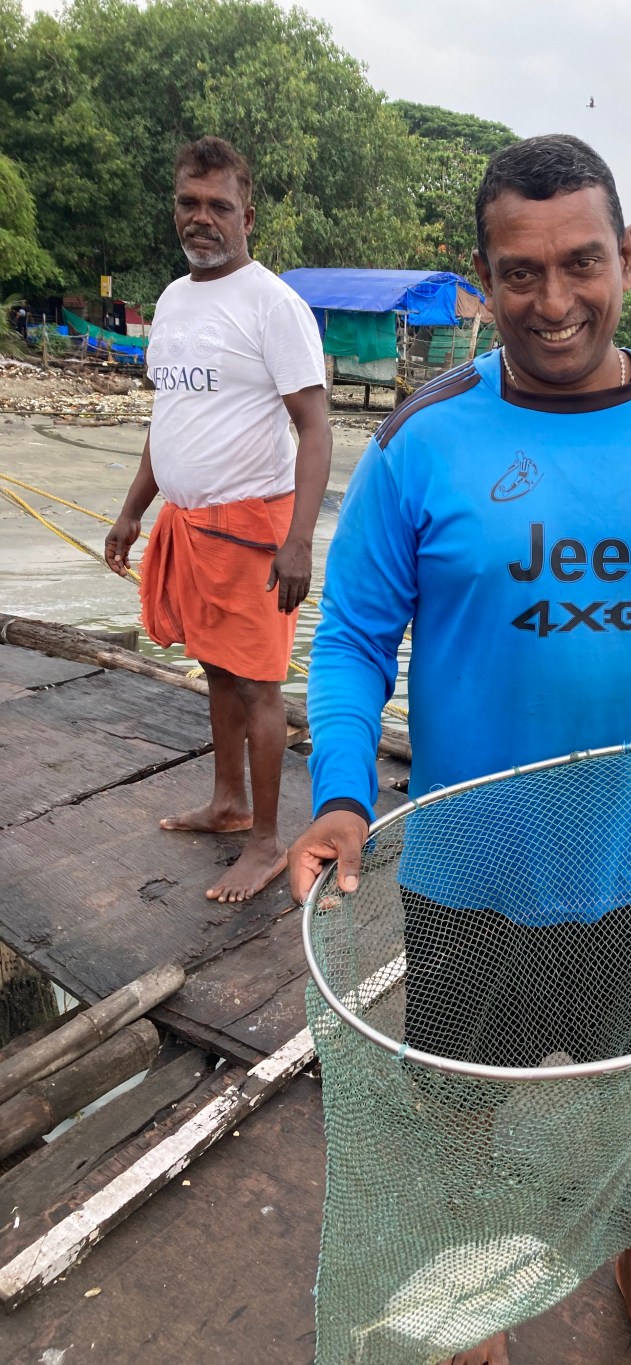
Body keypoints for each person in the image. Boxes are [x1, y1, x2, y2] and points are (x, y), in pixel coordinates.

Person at [289, 134, 631, 1365]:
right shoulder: (425, 439)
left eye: (581, 264)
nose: (554, 302)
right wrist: (335, 796)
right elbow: (350, 640)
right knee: (455, 1112)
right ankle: (472, 1307)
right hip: (464, 876)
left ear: (625, 257)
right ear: (479, 279)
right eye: (521, 274)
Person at [106, 135, 331, 904]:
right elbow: (168, 417)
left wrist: (299, 538)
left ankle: (267, 839)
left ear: (247, 215)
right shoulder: (173, 300)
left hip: (253, 530)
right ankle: (228, 802)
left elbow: (316, 426)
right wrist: (133, 511)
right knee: (217, 668)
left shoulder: (274, 304)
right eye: (189, 204)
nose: (201, 219)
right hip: (187, 523)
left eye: (218, 207)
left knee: (261, 684)